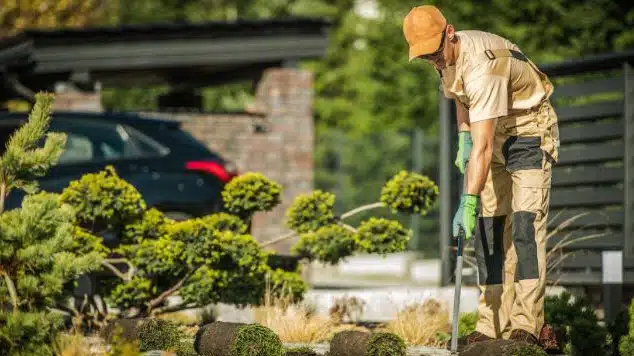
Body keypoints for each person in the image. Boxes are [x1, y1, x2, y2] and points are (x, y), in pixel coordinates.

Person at [402, 4, 560, 350]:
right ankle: (490, 326)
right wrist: (462, 136)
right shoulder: (444, 58)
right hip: (492, 131)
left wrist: (468, 200)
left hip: (527, 132)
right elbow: (461, 96)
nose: (434, 62)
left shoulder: (483, 68)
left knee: (524, 227)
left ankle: (526, 325)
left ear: (450, 33)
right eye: (425, 57)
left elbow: (484, 148)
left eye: (435, 53)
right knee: (489, 230)